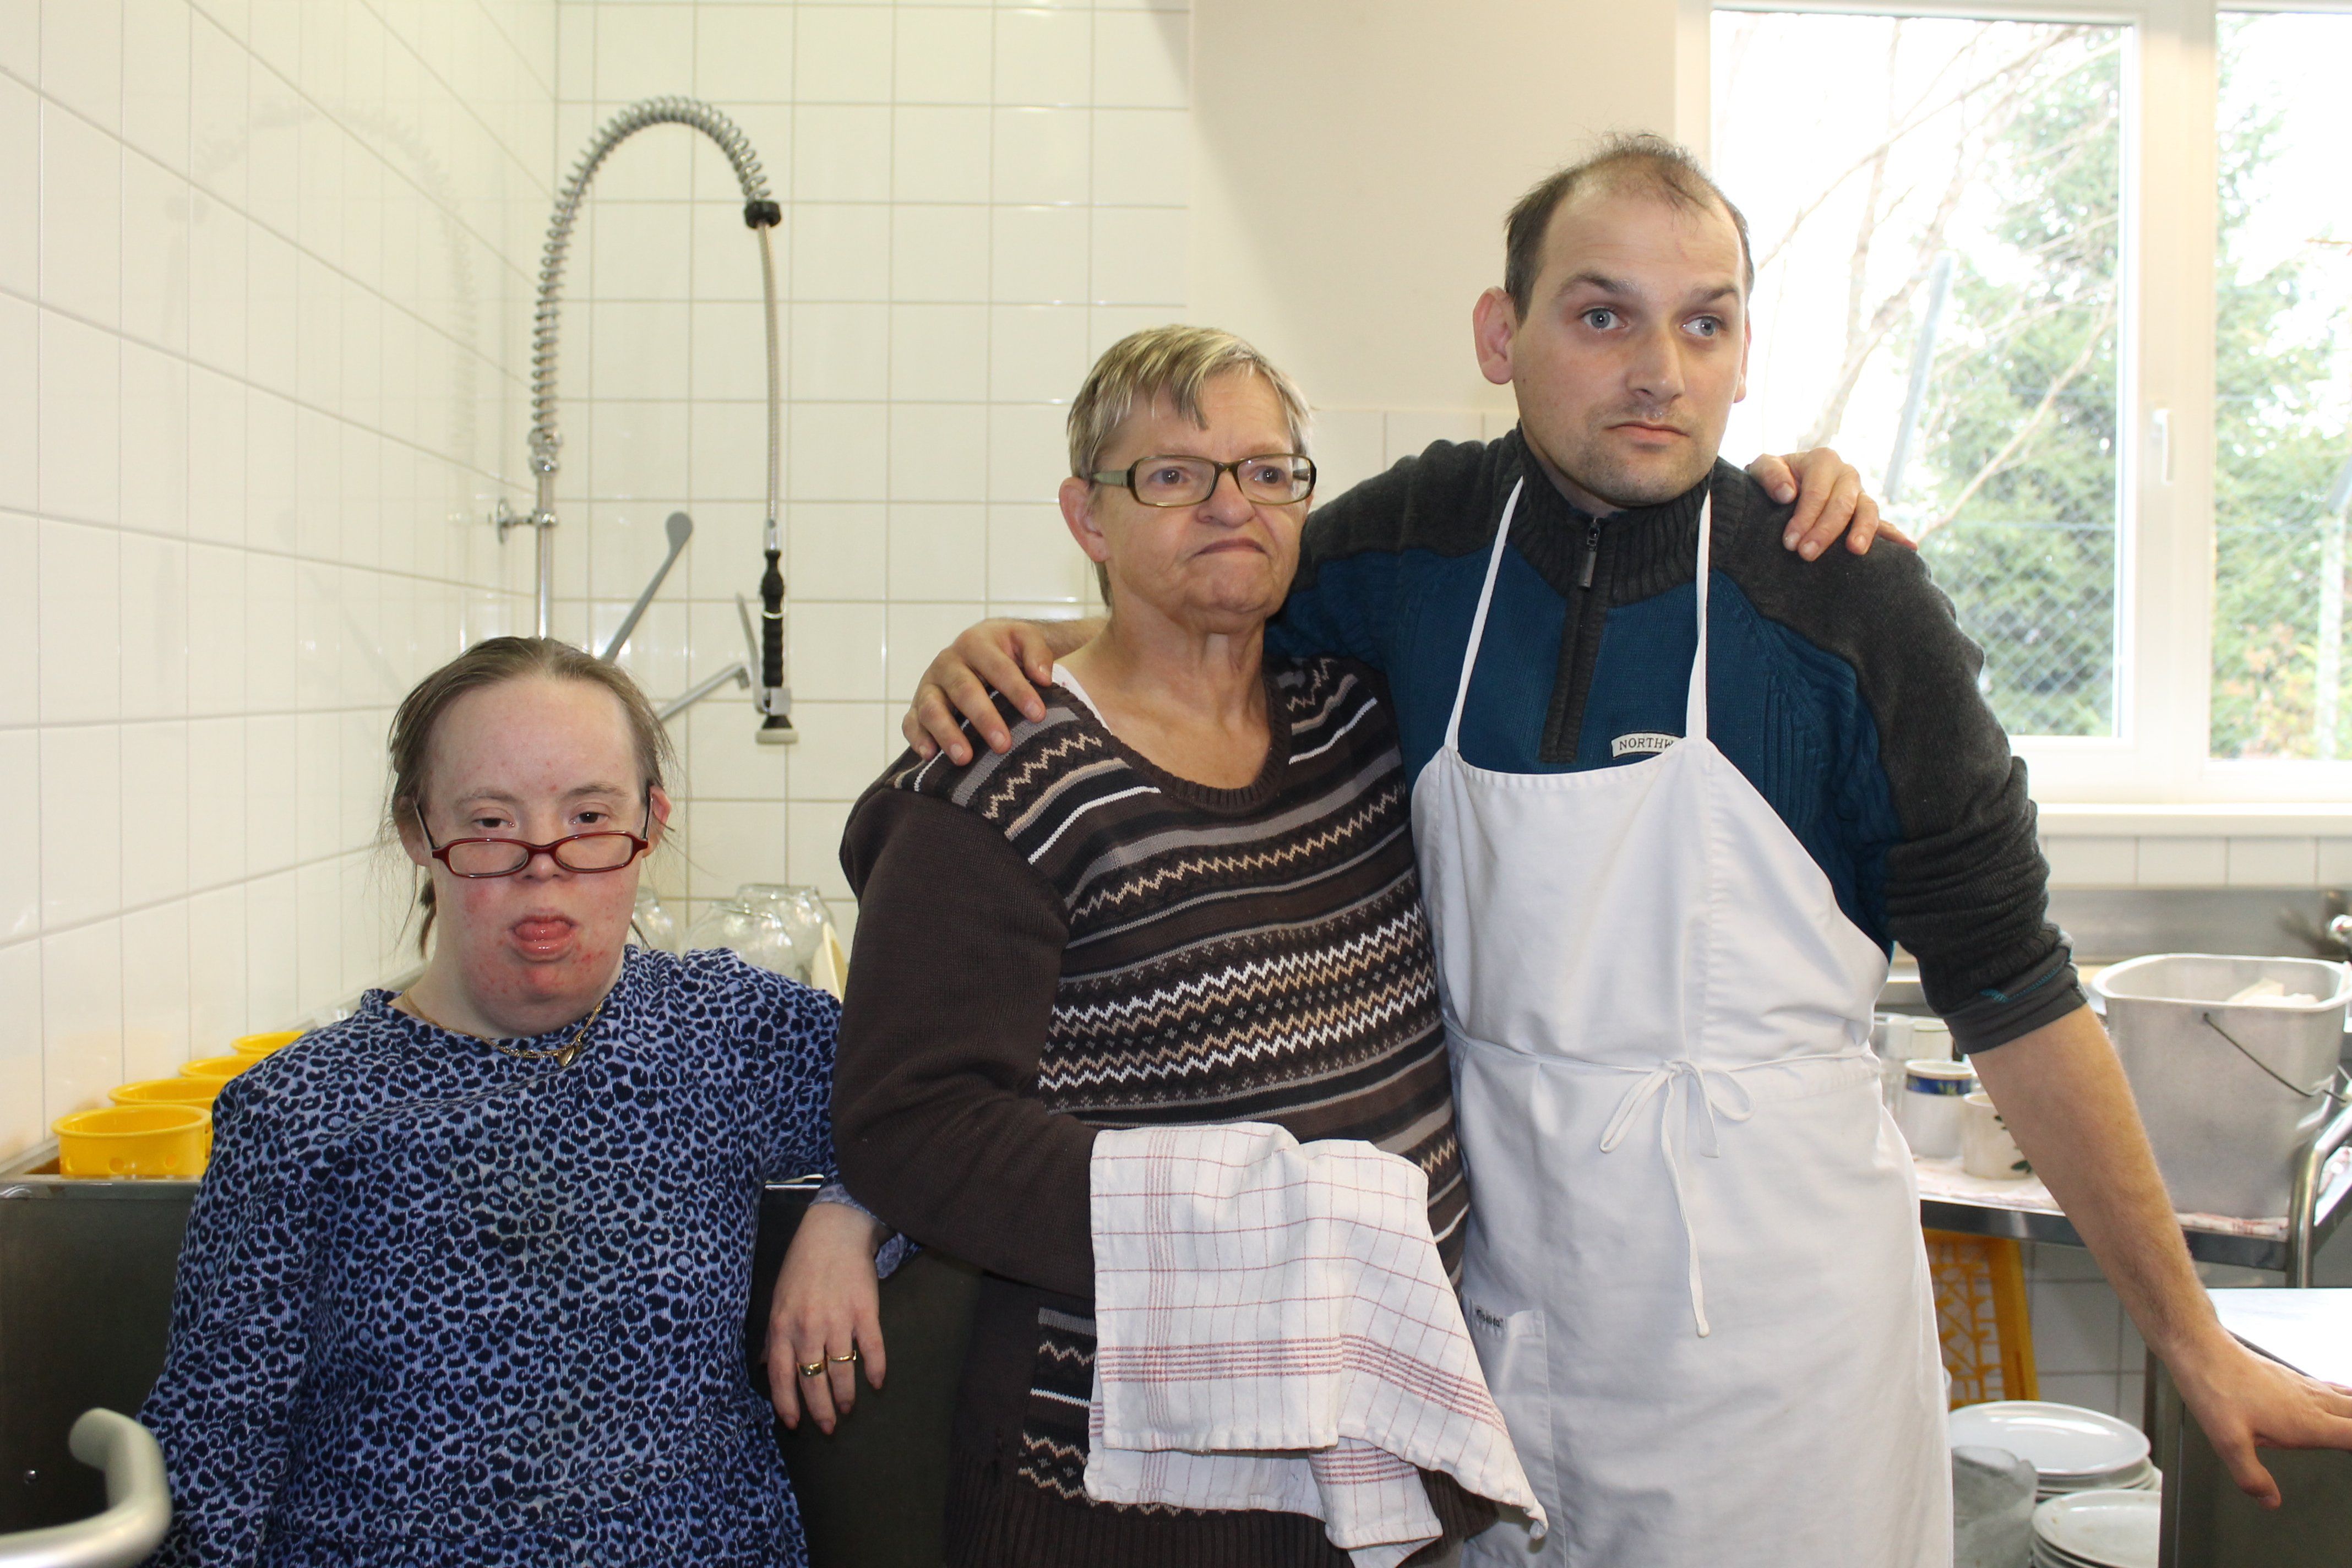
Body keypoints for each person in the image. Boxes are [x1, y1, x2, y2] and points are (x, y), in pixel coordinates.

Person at [897, 136, 2352, 1566]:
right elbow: (1200, 604)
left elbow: (2020, 995)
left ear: (1744, 350)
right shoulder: (1411, 552)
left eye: (1704, 323)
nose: (1660, 369)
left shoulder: (1847, 603)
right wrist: (1031, 649)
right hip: (1497, 1343)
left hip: (1776, 1371)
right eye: (1603, 316)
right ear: (1501, 335)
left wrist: (2192, 1340)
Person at [828, 326, 1502, 1567]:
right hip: (1125, 1495)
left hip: (1371, 1437)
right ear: (1088, 517)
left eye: (1266, 471)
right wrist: (1260, 1220)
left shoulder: (1356, 720)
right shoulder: (999, 779)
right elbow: (908, 1124)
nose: (1231, 504)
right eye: (1174, 475)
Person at [140, 636, 902, 1568]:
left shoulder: (726, 1030)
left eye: (590, 816)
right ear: (419, 831)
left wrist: (851, 1215)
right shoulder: (297, 1111)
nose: (545, 864)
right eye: (492, 823)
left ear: (652, 819)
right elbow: (211, 1463)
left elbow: (937, 1104)